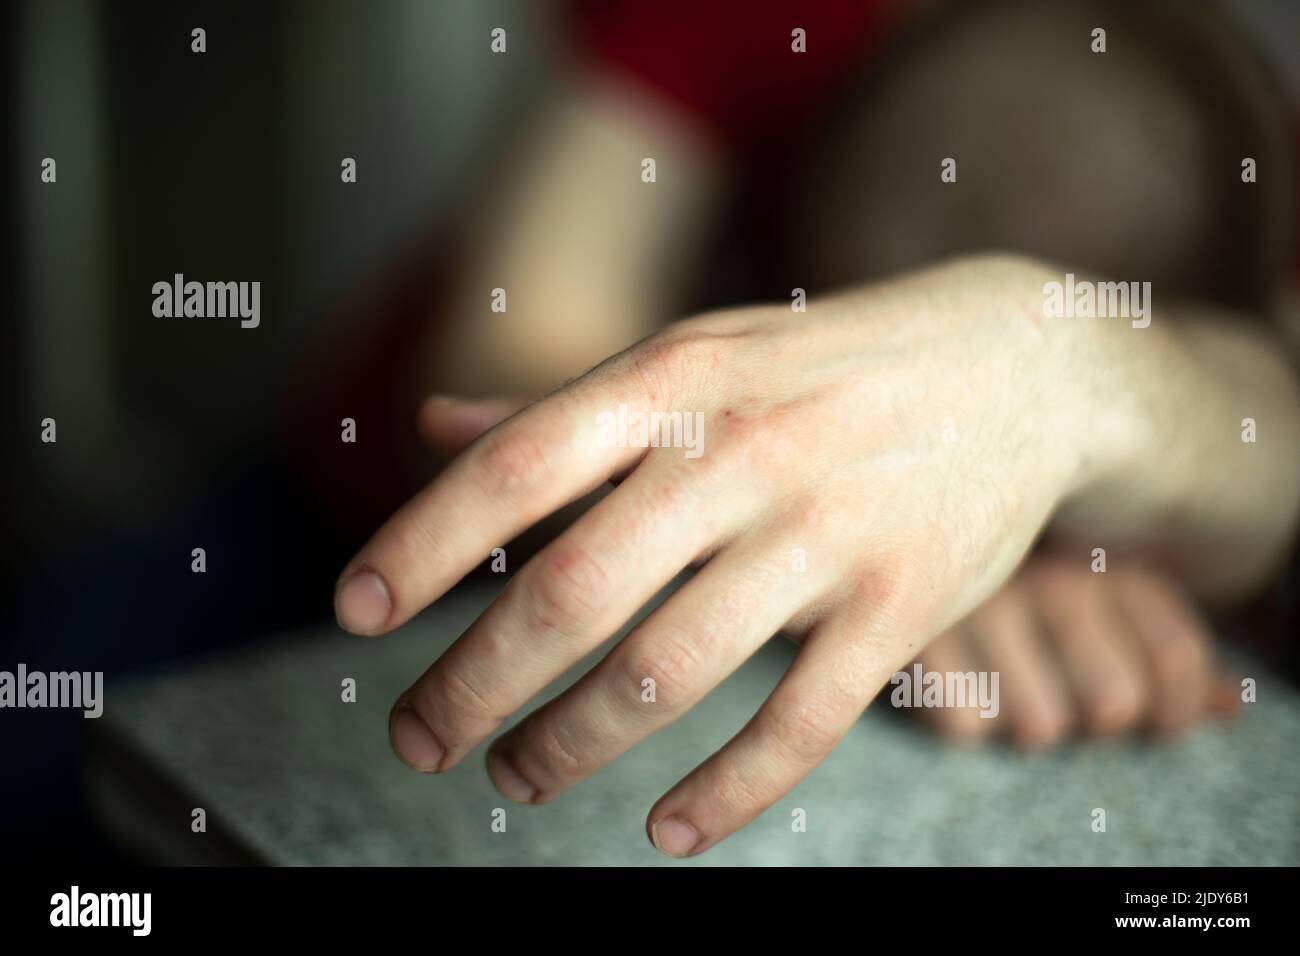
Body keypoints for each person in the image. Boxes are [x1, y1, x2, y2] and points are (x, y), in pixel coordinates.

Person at [332, 0, 1300, 857]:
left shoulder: (1245, 133)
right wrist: (858, 522)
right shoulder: (753, 21)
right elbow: (510, 349)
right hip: (338, 510)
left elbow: (1272, 421)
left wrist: (999, 487)